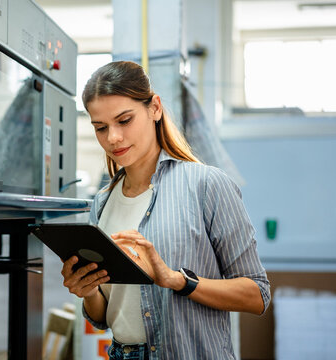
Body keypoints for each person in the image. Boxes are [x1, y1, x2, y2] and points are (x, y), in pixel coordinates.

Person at [60, 61, 270, 360]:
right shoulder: (103, 202)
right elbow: (104, 317)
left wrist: (176, 280)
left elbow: (257, 295)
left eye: (125, 120)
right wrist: (88, 289)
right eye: (101, 127)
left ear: (154, 108)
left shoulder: (206, 185)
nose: (113, 138)